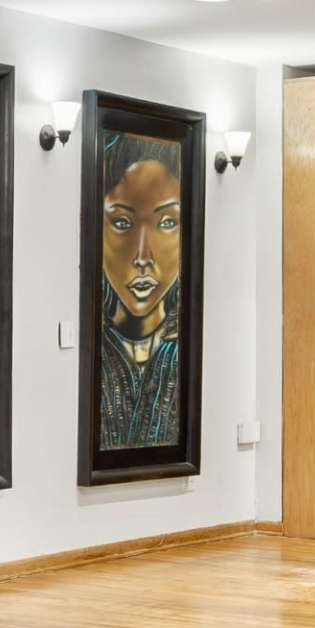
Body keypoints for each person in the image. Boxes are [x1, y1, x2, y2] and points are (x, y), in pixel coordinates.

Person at [92, 131, 186, 450]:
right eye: (121, 223)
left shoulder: (184, 353)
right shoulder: (91, 350)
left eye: (168, 223)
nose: (143, 257)